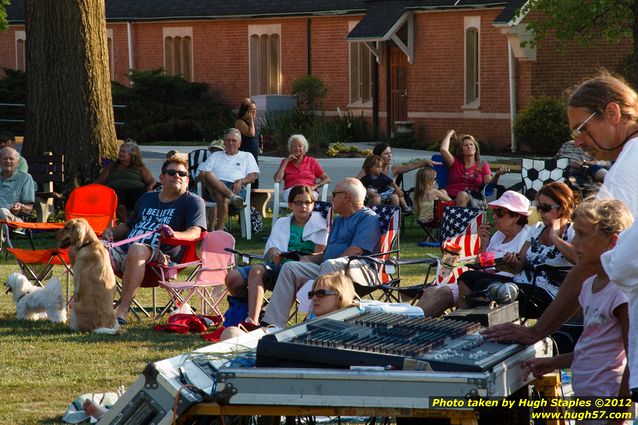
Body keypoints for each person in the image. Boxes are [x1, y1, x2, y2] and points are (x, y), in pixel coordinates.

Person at [481, 73, 638, 398]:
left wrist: (539, 330)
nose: (578, 140)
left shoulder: (627, 170)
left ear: (612, 113)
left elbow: (591, 261)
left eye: (583, 128)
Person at [523, 199, 631, 399]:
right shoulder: (589, 286)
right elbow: (593, 348)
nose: (574, 243)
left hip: (607, 399)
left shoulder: (620, 293)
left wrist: (619, 413)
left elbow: (633, 359)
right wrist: (555, 362)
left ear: (612, 242)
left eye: (582, 235)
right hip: (585, 394)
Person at [261, 178, 381, 329]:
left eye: (334, 193)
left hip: (359, 270)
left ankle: (312, 322)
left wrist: (328, 262)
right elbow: (326, 254)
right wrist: (307, 259)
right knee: (290, 267)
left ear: (346, 197)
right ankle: (273, 324)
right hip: (330, 267)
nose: (331, 197)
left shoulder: (368, 218)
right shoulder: (339, 220)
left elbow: (356, 251)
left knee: (331, 264)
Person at [104, 155, 207, 325]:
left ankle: (121, 311)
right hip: (125, 250)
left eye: (182, 174)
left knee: (137, 248)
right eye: (172, 172)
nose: (177, 176)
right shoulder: (147, 198)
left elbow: (196, 232)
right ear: (162, 177)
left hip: (162, 258)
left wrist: (175, 235)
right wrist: (111, 233)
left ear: (187, 180)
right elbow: (129, 226)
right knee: (93, 248)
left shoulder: (192, 202)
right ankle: (90, 307)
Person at [458, 182, 577, 319]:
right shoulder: (536, 229)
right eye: (539, 207)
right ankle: (463, 323)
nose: (541, 212)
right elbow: (519, 266)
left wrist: (555, 238)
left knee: (485, 286)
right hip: (520, 284)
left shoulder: (573, 232)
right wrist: (512, 261)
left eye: (545, 207)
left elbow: (578, 259)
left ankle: (478, 327)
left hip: (548, 293)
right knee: (468, 277)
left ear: (562, 207)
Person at [224, 185, 328, 325]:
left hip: (300, 270)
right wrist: (273, 252)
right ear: (290, 205)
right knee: (234, 277)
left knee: (268, 269)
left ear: (313, 204)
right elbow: (272, 248)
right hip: (277, 266)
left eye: (307, 202)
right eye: (298, 202)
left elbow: (320, 254)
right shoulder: (282, 223)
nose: (303, 206)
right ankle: (252, 316)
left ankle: (254, 320)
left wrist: (303, 258)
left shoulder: (320, 225)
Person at [417, 190, 531, 317]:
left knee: (445, 291)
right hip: (478, 281)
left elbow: (521, 270)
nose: (494, 217)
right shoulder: (499, 235)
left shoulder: (525, 237)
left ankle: (415, 326)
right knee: (430, 291)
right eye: (494, 212)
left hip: (500, 289)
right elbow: (480, 263)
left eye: (500, 213)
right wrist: (483, 243)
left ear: (516, 216)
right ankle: (406, 323)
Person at [220, 272, 356, 340]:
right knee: (231, 332)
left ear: (340, 298)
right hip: (281, 342)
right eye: (312, 294)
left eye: (321, 293)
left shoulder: (341, 329)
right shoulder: (317, 320)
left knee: (231, 334)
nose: (314, 298)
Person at [197, 128, 259, 231]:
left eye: (234, 140)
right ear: (224, 142)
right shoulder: (215, 156)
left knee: (221, 196)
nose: (230, 143)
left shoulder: (247, 156)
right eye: (227, 140)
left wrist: (241, 181)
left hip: (236, 187)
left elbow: (252, 176)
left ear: (239, 143)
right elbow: (202, 174)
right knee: (208, 174)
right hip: (213, 187)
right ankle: (220, 229)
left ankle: (219, 229)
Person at [439, 130, 507, 207]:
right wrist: (449, 134)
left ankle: (458, 218)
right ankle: (442, 218)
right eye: (466, 145)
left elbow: (489, 184)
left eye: (471, 144)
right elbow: (443, 150)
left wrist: (497, 175)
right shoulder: (455, 162)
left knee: (462, 195)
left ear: (475, 149)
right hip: (450, 195)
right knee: (440, 192)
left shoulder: (481, 165)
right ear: (461, 151)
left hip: (473, 197)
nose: (469, 146)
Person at [95, 140, 156, 222]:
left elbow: (151, 181)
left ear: (132, 154)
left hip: (136, 190)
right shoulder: (112, 166)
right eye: (120, 151)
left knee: (141, 198)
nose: (121, 154)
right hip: (116, 191)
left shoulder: (139, 167)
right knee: (118, 199)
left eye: (124, 152)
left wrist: (150, 188)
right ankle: (127, 223)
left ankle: (141, 221)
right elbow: (100, 181)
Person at [273, 134, 330, 202]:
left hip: (309, 190)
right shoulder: (285, 162)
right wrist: (286, 162)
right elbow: (277, 180)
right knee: (300, 197)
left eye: (300, 146)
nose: (297, 148)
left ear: (304, 148)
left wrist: (316, 186)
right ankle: (302, 210)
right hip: (291, 191)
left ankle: (300, 210)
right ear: (290, 148)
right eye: (294, 146)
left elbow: (326, 178)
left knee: (305, 196)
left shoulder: (312, 162)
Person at [356, 142, 439, 181]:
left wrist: (425, 161)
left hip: (391, 198)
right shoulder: (368, 169)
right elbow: (355, 181)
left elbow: (411, 166)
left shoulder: (393, 169)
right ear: (378, 156)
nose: (390, 156)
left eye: (390, 153)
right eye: (386, 154)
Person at [0, 147, 35, 221]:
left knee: (2, 212)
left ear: (18, 162)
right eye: (5, 158)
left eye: (11, 159)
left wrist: (21, 206)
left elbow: (29, 207)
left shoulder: (25, 178)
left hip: (13, 217)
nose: (8, 161)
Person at [235, 97, 260, 187]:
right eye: (251, 110)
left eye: (255, 110)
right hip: (245, 155)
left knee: (254, 180)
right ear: (245, 111)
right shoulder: (240, 122)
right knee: (247, 181)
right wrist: (251, 120)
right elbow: (251, 134)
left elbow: (257, 136)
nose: (254, 112)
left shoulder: (252, 123)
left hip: (254, 156)